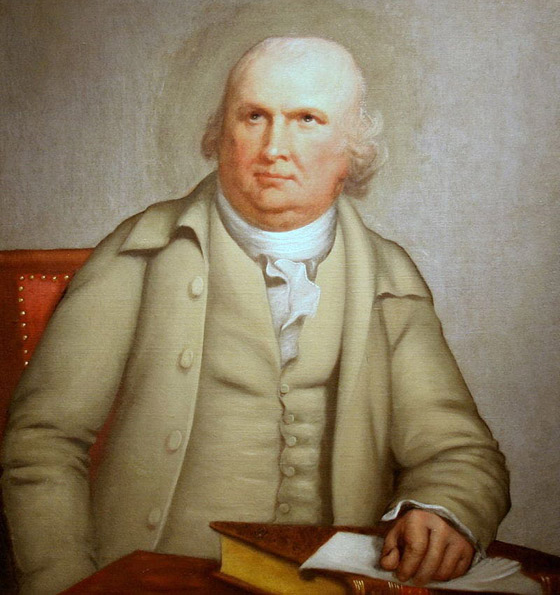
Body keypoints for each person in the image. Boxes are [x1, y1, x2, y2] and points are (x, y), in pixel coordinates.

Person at [1, 37, 510, 594]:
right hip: (155, 581)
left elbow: (457, 451)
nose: (274, 148)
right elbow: (43, 441)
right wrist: (67, 584)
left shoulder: (389, 278)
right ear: (220, 134)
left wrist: (442, 509)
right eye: (254, 117)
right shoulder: (139, 256)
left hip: (334, 586)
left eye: (306, 120)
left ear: (352, 149)